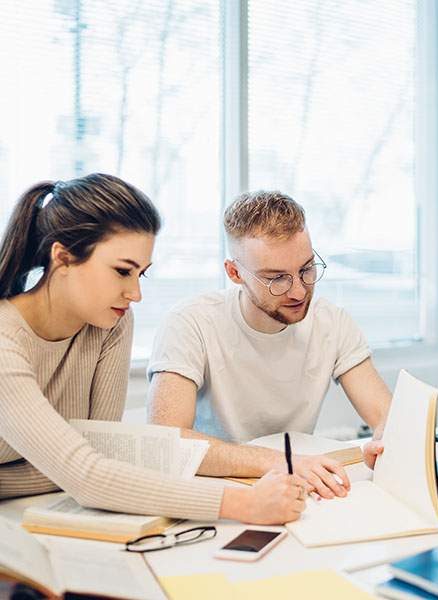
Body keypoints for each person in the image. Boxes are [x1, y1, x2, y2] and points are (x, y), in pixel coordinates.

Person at [0, 174, 308, 524]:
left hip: (34, 509)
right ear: (64, 258)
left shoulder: (111, 322)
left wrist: (68, 468)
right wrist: (245, 504)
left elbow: (101, 454)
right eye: (121, 271)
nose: (135, 294)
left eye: (141, 275)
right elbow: (86, 474)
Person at [146, 190, 392, 499]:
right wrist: (279, 462)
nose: (299, 292)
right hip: (217, 496)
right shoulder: (190, 322)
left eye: (306, 269)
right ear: (235, 273)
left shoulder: (333, 321)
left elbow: (388, 416)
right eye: (276, 278)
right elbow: (167, 441)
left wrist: (383, 441)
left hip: (299, 487)